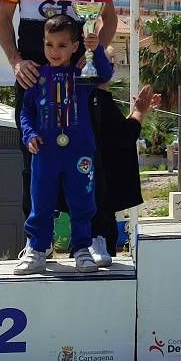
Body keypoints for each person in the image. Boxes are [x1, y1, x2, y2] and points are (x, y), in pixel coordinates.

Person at [0, 0, 118, 235]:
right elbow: (3, 20)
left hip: (79, 75)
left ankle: (95, 238)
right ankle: (38, 243)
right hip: (35, 74)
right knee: (31, 157)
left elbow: (108, 18)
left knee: (89, 155)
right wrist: (17, 61)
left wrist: (93, 54)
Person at [16, 15, 113, 274]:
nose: (54, 51)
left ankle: (82, 249)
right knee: (41, 202)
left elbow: (105, 74)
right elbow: (26, 112)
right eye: (49, 44)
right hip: (45, 152)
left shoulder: (82, 74)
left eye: (61, 45)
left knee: (82, 203)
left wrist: (96, 49)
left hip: (79, 152)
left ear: (74, 46)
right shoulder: (37, 77)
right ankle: (36, 250)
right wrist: (29, 134)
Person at [70, 77, 159, 266]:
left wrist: (138, 113)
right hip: (99, 200)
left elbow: (110, 132)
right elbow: (123, 135)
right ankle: (96, 240)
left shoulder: (81, 96)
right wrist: (138, 113)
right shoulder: (96, 97)